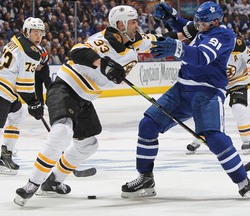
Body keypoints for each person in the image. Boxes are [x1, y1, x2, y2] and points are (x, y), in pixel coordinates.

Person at [14, 5, 159, 207]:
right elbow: (77, 51)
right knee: (62, 131)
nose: (137, 25)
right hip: (65, 87)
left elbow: (162, 40)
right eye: (133, 22)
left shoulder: (138, 41)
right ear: (121, 24)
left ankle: (53, 182)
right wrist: (102, 63)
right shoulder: (103, 40)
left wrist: (188, 30)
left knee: (88, 144)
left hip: (84, 98)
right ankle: (32, 184)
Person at [121, 2, 250, 200]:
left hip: (208, 92)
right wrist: (172, 16)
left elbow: (202, 57)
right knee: (147, 125)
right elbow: (185, 27)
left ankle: (243, 182)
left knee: (214, 138)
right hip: (181, 89)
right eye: (198, 22)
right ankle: (145, 178)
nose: (198, 26)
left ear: (215, 22)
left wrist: (178, 47)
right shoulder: (203, 26)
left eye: (203, 24)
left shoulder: (224, 35)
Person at [186, 37, 250, 155]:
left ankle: (247, 140)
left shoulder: (235, 44)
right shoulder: (205, 49)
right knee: (206, 110)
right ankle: (200, 136)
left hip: (237, 81)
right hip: (217, 84)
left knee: (238, 107)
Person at [0, 17, 45, 175]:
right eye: (35, 33)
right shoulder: (30, 52)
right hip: (1, 89)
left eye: (40, 33)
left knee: (18, 114)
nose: (38, 37)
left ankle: (6, 156)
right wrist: (34, 102)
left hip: (5, 88)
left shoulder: (17, 38)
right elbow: (24, 85)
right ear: (27, 32)